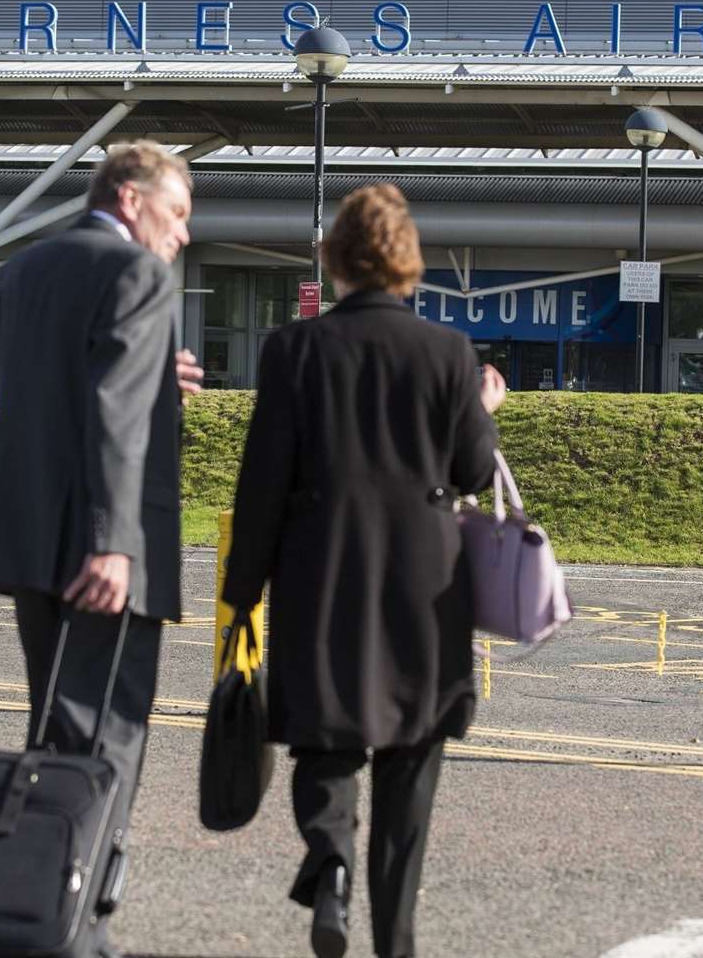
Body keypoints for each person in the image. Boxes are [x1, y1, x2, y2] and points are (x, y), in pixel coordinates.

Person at [223, 183, 507, 958]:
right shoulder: (447, 352)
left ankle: (330, 864)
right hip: (423, 583)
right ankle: (397, 942)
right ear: (408, 264)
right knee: (410, 763)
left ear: (334, 261)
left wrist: (241, 594)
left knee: (326, 741)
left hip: (322, 572)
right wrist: (483, 404)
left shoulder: (292, 351)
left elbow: (262, 483)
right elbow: (472, 470)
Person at [0, 140, 204, 958]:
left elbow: (49, 388)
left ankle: (29, 908)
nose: (181, 235)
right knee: (104, 741)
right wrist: (113, 545)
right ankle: (78, 932)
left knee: (52, 731)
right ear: (133, 196)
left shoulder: (23, 270)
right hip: (102, 551)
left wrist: (152, 378)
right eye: (176, 214)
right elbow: (110, 415)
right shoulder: (139, 275)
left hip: (30, 538)